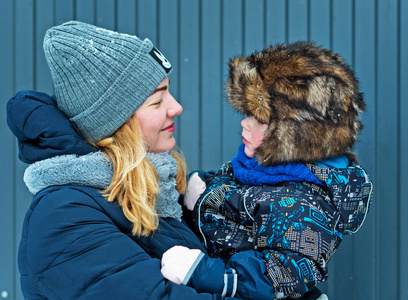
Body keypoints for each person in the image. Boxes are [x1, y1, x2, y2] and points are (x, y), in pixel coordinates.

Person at [6, 21, 240, 299]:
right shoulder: (64, 219)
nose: (176, 107)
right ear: (115, 125)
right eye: (157, 101)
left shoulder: (158, 195)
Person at [160, 42, 374, 300]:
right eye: (247, 113)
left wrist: (203, 273)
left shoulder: (303, 207)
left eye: (259, 119)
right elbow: (242, 195)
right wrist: (206, 189)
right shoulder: (264, 167)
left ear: (298, 135)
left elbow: (280, 276)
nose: (244, 123)